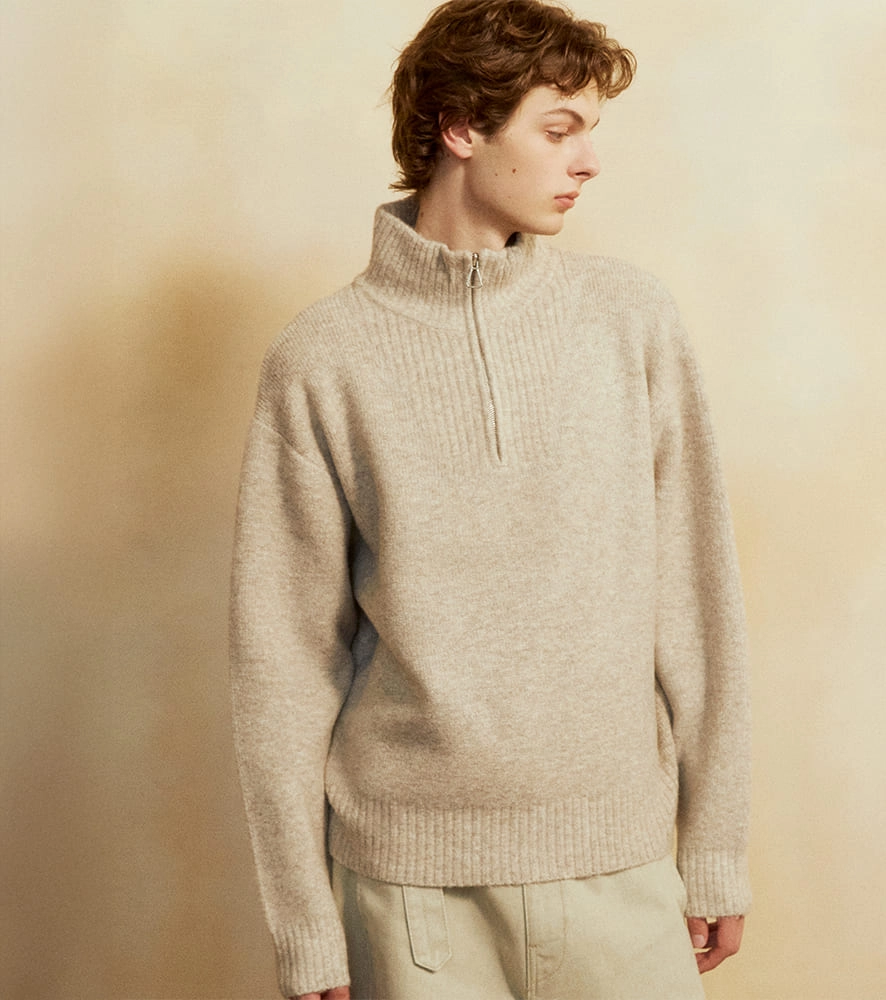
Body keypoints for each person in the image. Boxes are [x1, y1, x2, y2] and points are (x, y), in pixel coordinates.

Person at [229, 1, 751, 997]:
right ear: (461, 127)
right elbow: (282, 662)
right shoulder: (321, 359)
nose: (588, 161)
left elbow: (697, 597)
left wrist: (716, 846)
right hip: (409, 896)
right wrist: (305, 928)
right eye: (558, 130)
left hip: (623, 873)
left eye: (588, 132)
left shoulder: (631, 321)